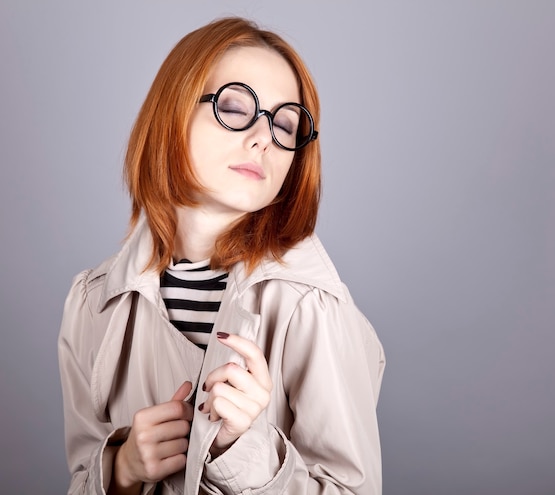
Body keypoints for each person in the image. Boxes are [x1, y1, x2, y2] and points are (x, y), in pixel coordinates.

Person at [58, 16, 385, 495]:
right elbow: (82, 474)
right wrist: (121, 470)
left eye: (285, 124)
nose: (263, 138)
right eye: (234, 107)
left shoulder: (312, 305)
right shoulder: (92, 305)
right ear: (172, 111)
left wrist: (242, 450)